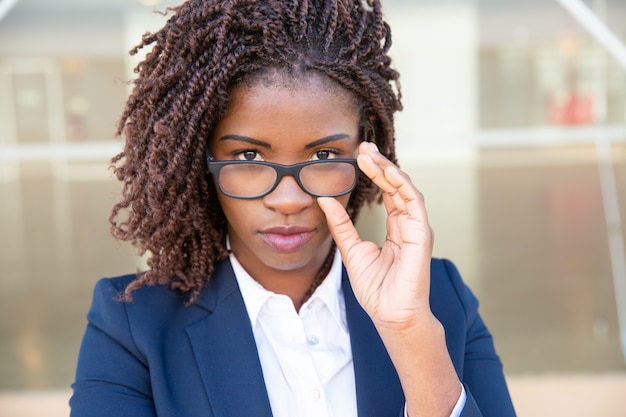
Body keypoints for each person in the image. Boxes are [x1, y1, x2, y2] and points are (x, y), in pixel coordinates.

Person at [70, 0, 516, 416]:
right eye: (248, 157)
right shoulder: (133, 325)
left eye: (323, 157)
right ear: (201, 160)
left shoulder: (439, 299)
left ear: (367, 155)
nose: (288, 200)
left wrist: (410, 336)